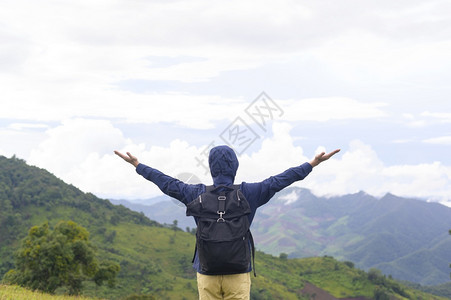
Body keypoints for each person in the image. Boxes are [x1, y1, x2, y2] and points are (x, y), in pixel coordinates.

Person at [114, 145, 340, 300]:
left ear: (211, 168)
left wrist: (138, 165)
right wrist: (312, 164)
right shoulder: (250, 193)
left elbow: (167, 183)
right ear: (235, 167)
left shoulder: (196, 193)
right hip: (238, 273)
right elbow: (280, 180)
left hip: (206, 272)